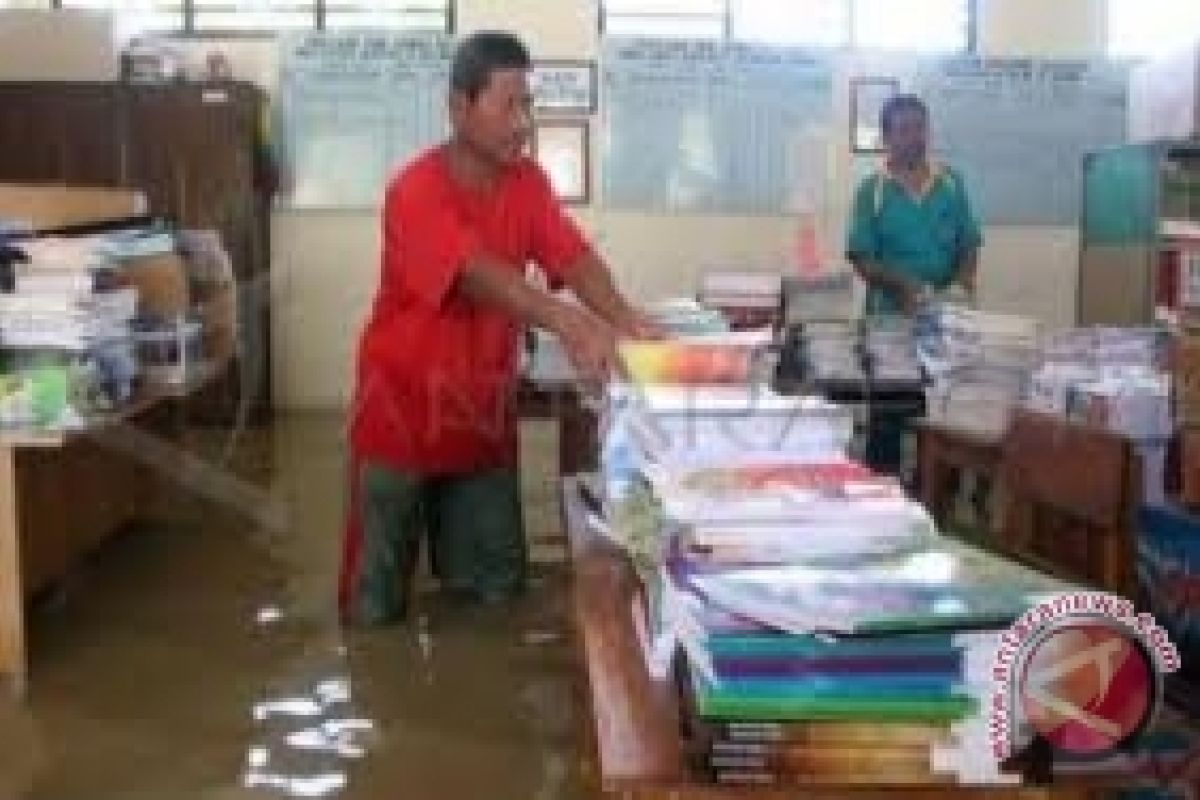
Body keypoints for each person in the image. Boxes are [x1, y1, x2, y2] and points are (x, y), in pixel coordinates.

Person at [339, 31, 656, 625]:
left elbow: (574, 258)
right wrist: (567, 321)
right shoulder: (414, 190)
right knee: (375, 607)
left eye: (528, 104)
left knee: (494, 596)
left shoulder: (528, 184)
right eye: (508, 105)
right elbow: (473, 274)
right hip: (399, 416)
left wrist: (623, 317)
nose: (524, 122)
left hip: (481, 415)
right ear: (459, 107)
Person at [846, 94, 983, 474]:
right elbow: (861, 258)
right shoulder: (871, 192)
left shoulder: (951, 185)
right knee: (888, 421)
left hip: (944, 327)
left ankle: (933, 500)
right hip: (890, 327)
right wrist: (904, 286)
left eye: (920, 128)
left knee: (941, 420)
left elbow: (969, 244)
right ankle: (881, 497)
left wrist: (961, 286)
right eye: (904, 130)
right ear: (887, 138)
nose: (915, 137)